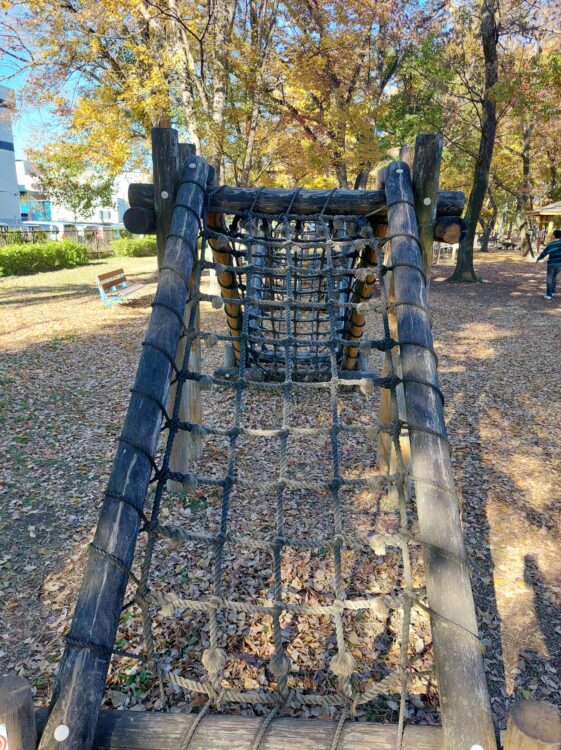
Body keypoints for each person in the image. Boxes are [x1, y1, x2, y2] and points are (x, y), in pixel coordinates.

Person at [536, 228, 561, 300]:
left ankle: (549, 294)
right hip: (560, 264)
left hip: (552, 264)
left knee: (549, 278)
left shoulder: (551, 244)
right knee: (554, 277)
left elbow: (544, 253)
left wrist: (539, 258)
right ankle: (552, 292)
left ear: (554, 236)